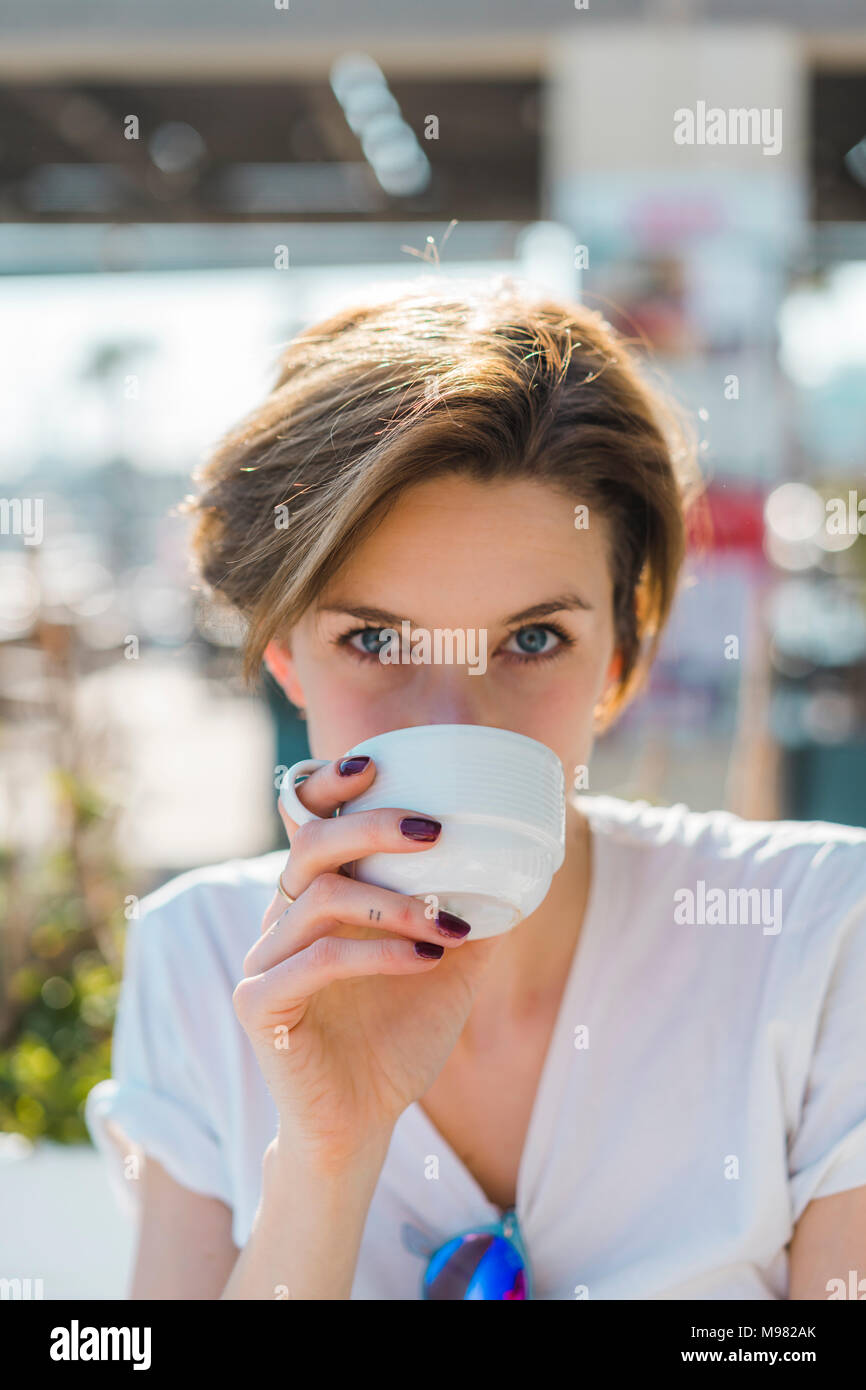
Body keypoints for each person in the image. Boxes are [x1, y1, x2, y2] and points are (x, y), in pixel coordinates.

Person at [85, 277, 866, 1300]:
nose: (453, 724)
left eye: (532, 638)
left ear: (620, 661)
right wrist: (327, 1155)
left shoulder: (814, 937)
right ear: (284, 657)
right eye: (374, 639)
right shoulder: (202, 962)